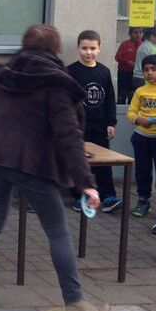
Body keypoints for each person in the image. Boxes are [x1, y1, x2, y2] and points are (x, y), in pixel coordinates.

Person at [0, 24, 109, 311]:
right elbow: (69, 135)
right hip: (33, 164)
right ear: (56, 49)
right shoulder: (57, 83)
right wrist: (87, 184)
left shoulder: (2, 75)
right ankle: (76, 305)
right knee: (57, 231)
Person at [67, 30, 120, 212]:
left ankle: (108, 195)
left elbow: (110, 99)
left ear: (99, 48)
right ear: (78, 48)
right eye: (84, 48)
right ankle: (80, 196)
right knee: (78, 160)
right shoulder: (70, 71)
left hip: (100, 124)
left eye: (92, 48)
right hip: (78, 126)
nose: (88, 52)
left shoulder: (104, 71)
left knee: (103, 161)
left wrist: (111, 122)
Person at [126, 54, 156, 228]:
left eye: (153, 69)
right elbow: (131, 112)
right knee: (142, 171)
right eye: (146, 69)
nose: (149, 73)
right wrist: (137, 119)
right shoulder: (140, 91)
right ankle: (143, 200)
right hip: (141, 137)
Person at [115, 28, 143, 104]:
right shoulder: (125, 44)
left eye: (140, 32)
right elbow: (117, 57)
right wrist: (127, 62)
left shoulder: (143, 46)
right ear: (130, 34)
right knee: (122, 95)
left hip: (136, 75)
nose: (138, 35)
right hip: (124, 73)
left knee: (133, 95)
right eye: (135, 33)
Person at [132, 27, 156, 93]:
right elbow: (155, 64)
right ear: (152, 36)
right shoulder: (151, 48)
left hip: (136, 77)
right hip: (145, 78)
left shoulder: (142, 46)